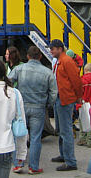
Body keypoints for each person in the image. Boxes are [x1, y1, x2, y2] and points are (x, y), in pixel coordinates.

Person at [8, 45, 57, 174]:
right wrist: (47, 104)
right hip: (38, 107)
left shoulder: (19, 69)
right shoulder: (47, 72)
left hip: (22, 106)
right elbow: (53, 92)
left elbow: (8, 82)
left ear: (27, 56)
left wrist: (13, 98)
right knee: (35, 138)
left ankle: (18, 163)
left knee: (19, 135)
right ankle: (33, 167)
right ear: (40, 57)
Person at [49, 39, 82, 172]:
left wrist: (79, 97)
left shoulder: (66, 62)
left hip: (65, 99)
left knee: (66, 130)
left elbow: (77, 80)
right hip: (61, 98)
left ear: (60, 49)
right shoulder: (61, 61)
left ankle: (70, 161)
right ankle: (64, 155)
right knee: (62, 129)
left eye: (53, 49)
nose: (51, 51)